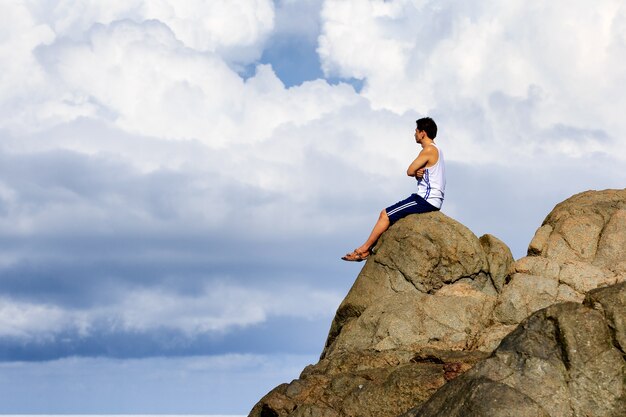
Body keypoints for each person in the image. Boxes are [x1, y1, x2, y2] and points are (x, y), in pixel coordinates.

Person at [342, 117, 446, 262]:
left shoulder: (428, 149)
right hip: (432, 198)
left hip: (426, 199)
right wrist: (417, 173)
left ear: (423, 133)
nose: (414, 134)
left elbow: (409, 170)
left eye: (416, 131)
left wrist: (415, 172)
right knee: (390, 215)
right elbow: (420, 172)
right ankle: (368, 247)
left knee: (385, 214)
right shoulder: (438, 150)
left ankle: (364, 250)